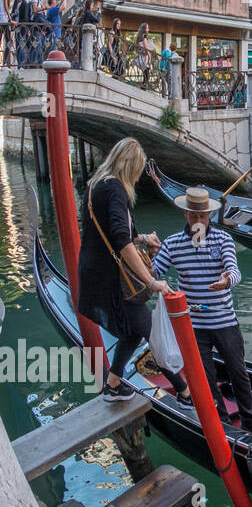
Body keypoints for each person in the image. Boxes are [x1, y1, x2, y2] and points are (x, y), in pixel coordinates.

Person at [152, 187, 252, 437]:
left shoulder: (223, 240)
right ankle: (222, 419)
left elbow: (234, 271)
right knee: (205, 376)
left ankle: (250, 420)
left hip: (224, 320)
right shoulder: (172, 244)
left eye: (202, 216)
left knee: (239, 372)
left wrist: (227, 281)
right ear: (186, 214)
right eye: (194, 216)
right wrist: (142, 250)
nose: (198, 221)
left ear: (209, 216)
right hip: (193, 326)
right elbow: (153, 273)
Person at [76, 138, 177, 402]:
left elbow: (116, 235)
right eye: (137, 171)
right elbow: (120, 242)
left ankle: (112, 384)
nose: (136, 179)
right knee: (151, 329)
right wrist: (151, 281)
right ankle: (186, 392)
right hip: (112, 280)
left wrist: (143, 239)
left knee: (132, 333)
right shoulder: (116, 189)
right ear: (130, 167)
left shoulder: (96, 186)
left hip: (95, 273)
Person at [133, 22, 155, 89]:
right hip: (145, 57)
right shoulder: (144, 36)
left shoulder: (140, 36)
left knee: (145, 74)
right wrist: (149, 59)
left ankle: (143, 87)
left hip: (141, 57)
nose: (148, 29)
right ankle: (143, 88)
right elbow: (146, 48)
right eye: (147, 28)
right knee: (147, 74)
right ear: (144, 29)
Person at [0, 0, 11, 68]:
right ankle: (5, 62)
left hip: (0, 21)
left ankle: (4, 62)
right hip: (4, 21)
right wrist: (10, 17)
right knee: (8, 41)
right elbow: (6, 7)